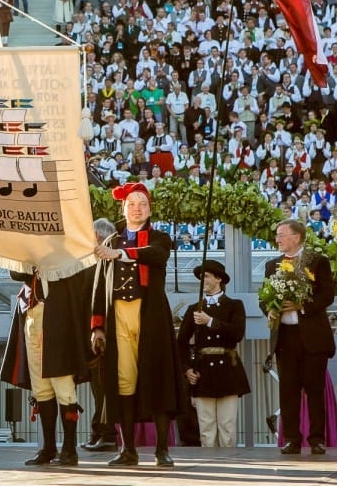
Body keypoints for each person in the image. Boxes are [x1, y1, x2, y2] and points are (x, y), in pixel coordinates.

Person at [90, 182, 181, 468]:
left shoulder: (159, 237)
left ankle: (162, 450)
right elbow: (98, 287)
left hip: (150, 316)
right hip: (117, 315)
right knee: (123, 382)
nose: (137, 208)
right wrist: (97, 326)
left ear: (149, 208)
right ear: (123, 208)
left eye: (142, 203)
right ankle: (128, 448)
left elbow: (157, 254)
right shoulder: (111, 241)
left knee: (157, 379)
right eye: (132, 203)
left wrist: (124, 254)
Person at [0, 260, 94, 466]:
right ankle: (48, 448)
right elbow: (16, 274)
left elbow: (81, 279)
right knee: (41, 389)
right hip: (32, 316)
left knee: (63, 387)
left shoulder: (66, 252)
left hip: (59, 320)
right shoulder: (29, 251)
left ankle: (69, 449)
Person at [265, 219, 335, 456]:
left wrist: (301, 305)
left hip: (312, 336)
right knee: (288, 390)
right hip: (285, 336)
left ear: (296, 237)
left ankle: (317, 439)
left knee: (315, 389)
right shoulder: (272, 265)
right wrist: (271, 309)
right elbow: (264, 297)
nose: (277, 239)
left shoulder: (317, 261)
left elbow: (327, 295)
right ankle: (292, 439)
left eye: (281, 234)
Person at [176, 260, 250, 448]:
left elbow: (237, 333)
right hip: (203, 372)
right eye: (201, 278)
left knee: (227, 425)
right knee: (206, 427)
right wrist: (187, 369)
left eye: (206, 276)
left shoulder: (234, 305)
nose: (203, 281)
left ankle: (230, 466)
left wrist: (210, 322)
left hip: (227, 370)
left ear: (218, 279)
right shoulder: (194, 309)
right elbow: (181, 343)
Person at [81, 218, 119, 453]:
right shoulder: (95, 265)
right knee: (98, 388)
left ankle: (106, 432)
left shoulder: (104, 265)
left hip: (104, 336)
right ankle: (99, 430)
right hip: (95, 333)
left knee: (103, 386)